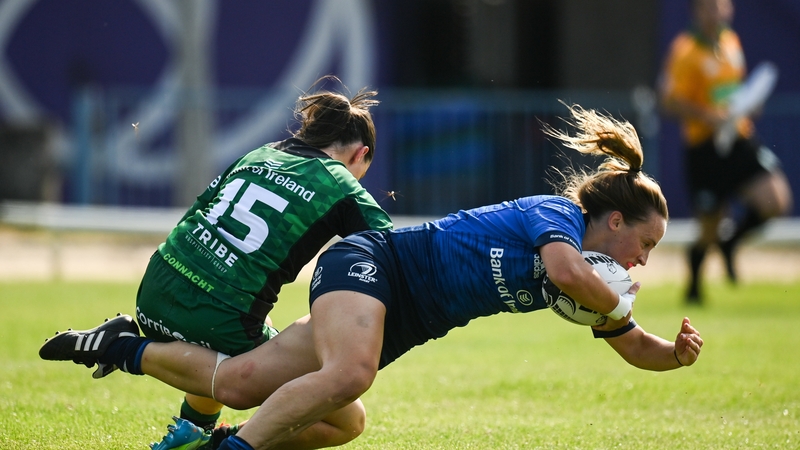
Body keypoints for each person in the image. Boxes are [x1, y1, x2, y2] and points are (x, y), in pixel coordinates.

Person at [40, 104, 704, 450]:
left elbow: (631, 344)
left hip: (403, 317)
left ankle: (122, 348)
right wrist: (618, 304)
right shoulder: (558, 217)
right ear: (612, 219)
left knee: (304, 407)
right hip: (376, 265)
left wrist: (671, 355)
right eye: (645, 243)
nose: (644, 261)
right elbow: (564, 270)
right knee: (351, 374)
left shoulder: (594, 276)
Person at [40, 75, 393, 445]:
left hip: (154, 290)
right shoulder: (340, 183)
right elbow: (394, 252)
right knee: (348, 419)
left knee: (250, 326)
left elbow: (197, 212)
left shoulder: (262, 153)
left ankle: (192, 432)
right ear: (360, 155)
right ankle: (125, 352)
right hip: (217, 317)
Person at [658, 0, 793, 303]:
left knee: (776, 199)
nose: (717, 13)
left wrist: (749, 104)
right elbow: (669, 101)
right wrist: (709, 117)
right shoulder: (685, 51)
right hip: (705, 148)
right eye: (709, 7)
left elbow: (733, 89)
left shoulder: (731, 41)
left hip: (739, 139)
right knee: (709, 227)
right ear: (697, 12)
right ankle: (694, 284)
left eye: (722, 6)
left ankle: (731, 242)